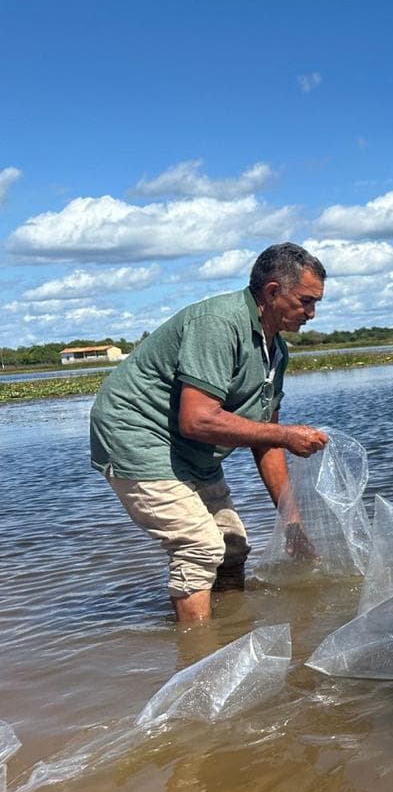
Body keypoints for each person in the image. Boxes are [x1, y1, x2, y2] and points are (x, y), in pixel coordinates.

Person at [90, 242, 331, 623]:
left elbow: (267, 438)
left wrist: (292, 522)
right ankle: (198, 655)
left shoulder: (276, 351)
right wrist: (286, 435)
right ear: (272, 292)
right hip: (137, 435)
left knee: (233, 546)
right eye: (305, 301)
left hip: (190, 450)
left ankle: (229, 631)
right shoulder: (219, 324)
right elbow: (197, 420)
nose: (312, 314)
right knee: (200, 547)